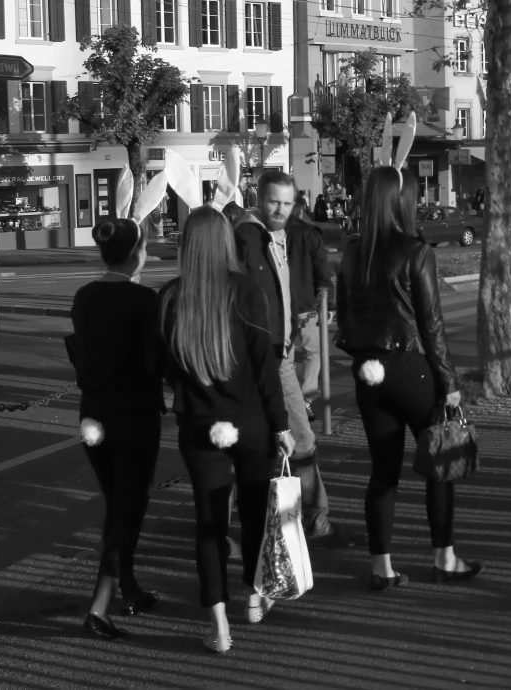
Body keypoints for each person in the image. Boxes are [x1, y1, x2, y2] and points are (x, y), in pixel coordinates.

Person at [335, 166, 484, 591]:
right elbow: (431, 324)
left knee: (383, 473)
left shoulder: (352, 252)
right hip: (412, 367)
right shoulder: (417, 252)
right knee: (440, 462)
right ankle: (444, 558)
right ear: (402, 201)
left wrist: (365, 357)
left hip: (370, 372)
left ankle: (381, 567)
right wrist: (449, 382)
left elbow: (344, 318)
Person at [159, 206, 294, 653]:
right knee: (255, 511)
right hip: (251, 421)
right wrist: (281, 423)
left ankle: (219, 626)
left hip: (200, 426)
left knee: (209, 523)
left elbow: (163, 368)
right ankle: (255, 597)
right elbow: (265, 366)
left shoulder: (171, 298)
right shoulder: (246, 291)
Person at [235, 170, 356, 549]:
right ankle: (313, 521)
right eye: (274, 202)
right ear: (259, 198)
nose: (280, 210)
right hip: (267, 358)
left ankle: (240, 525)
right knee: (300, 440)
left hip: (277, 352)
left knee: (265, 444)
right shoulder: (247, 239)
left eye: (287, 204)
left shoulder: (277, 237)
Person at [70, 218, 164, 639]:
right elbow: (155, 358)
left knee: (117, 502)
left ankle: (127, 585)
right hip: (134, 413)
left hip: (93, 413)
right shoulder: (146, 300)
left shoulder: (84, 296)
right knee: (129, 506)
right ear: (136, 254)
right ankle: (99, 606)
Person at [286, 212, 334, 422]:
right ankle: (305, 400)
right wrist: (328, 304)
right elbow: (322, 271)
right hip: (308, 303)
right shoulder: (310, 234)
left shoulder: (267, 232)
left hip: (279, 306)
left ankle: (287, 401)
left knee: (284, 358)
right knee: (313, 353)